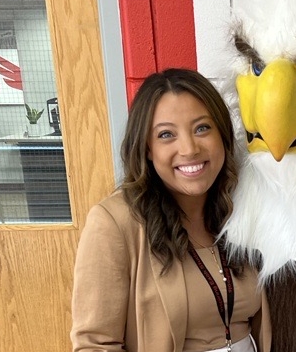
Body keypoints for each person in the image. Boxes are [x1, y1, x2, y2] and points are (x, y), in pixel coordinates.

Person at [70, 68, 270, 352]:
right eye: (166, 135)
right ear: (147, 148)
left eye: (202, 128)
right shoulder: (115, 222)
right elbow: (94, 344)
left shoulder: (243, 209)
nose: (189, 149)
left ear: (223, 135)